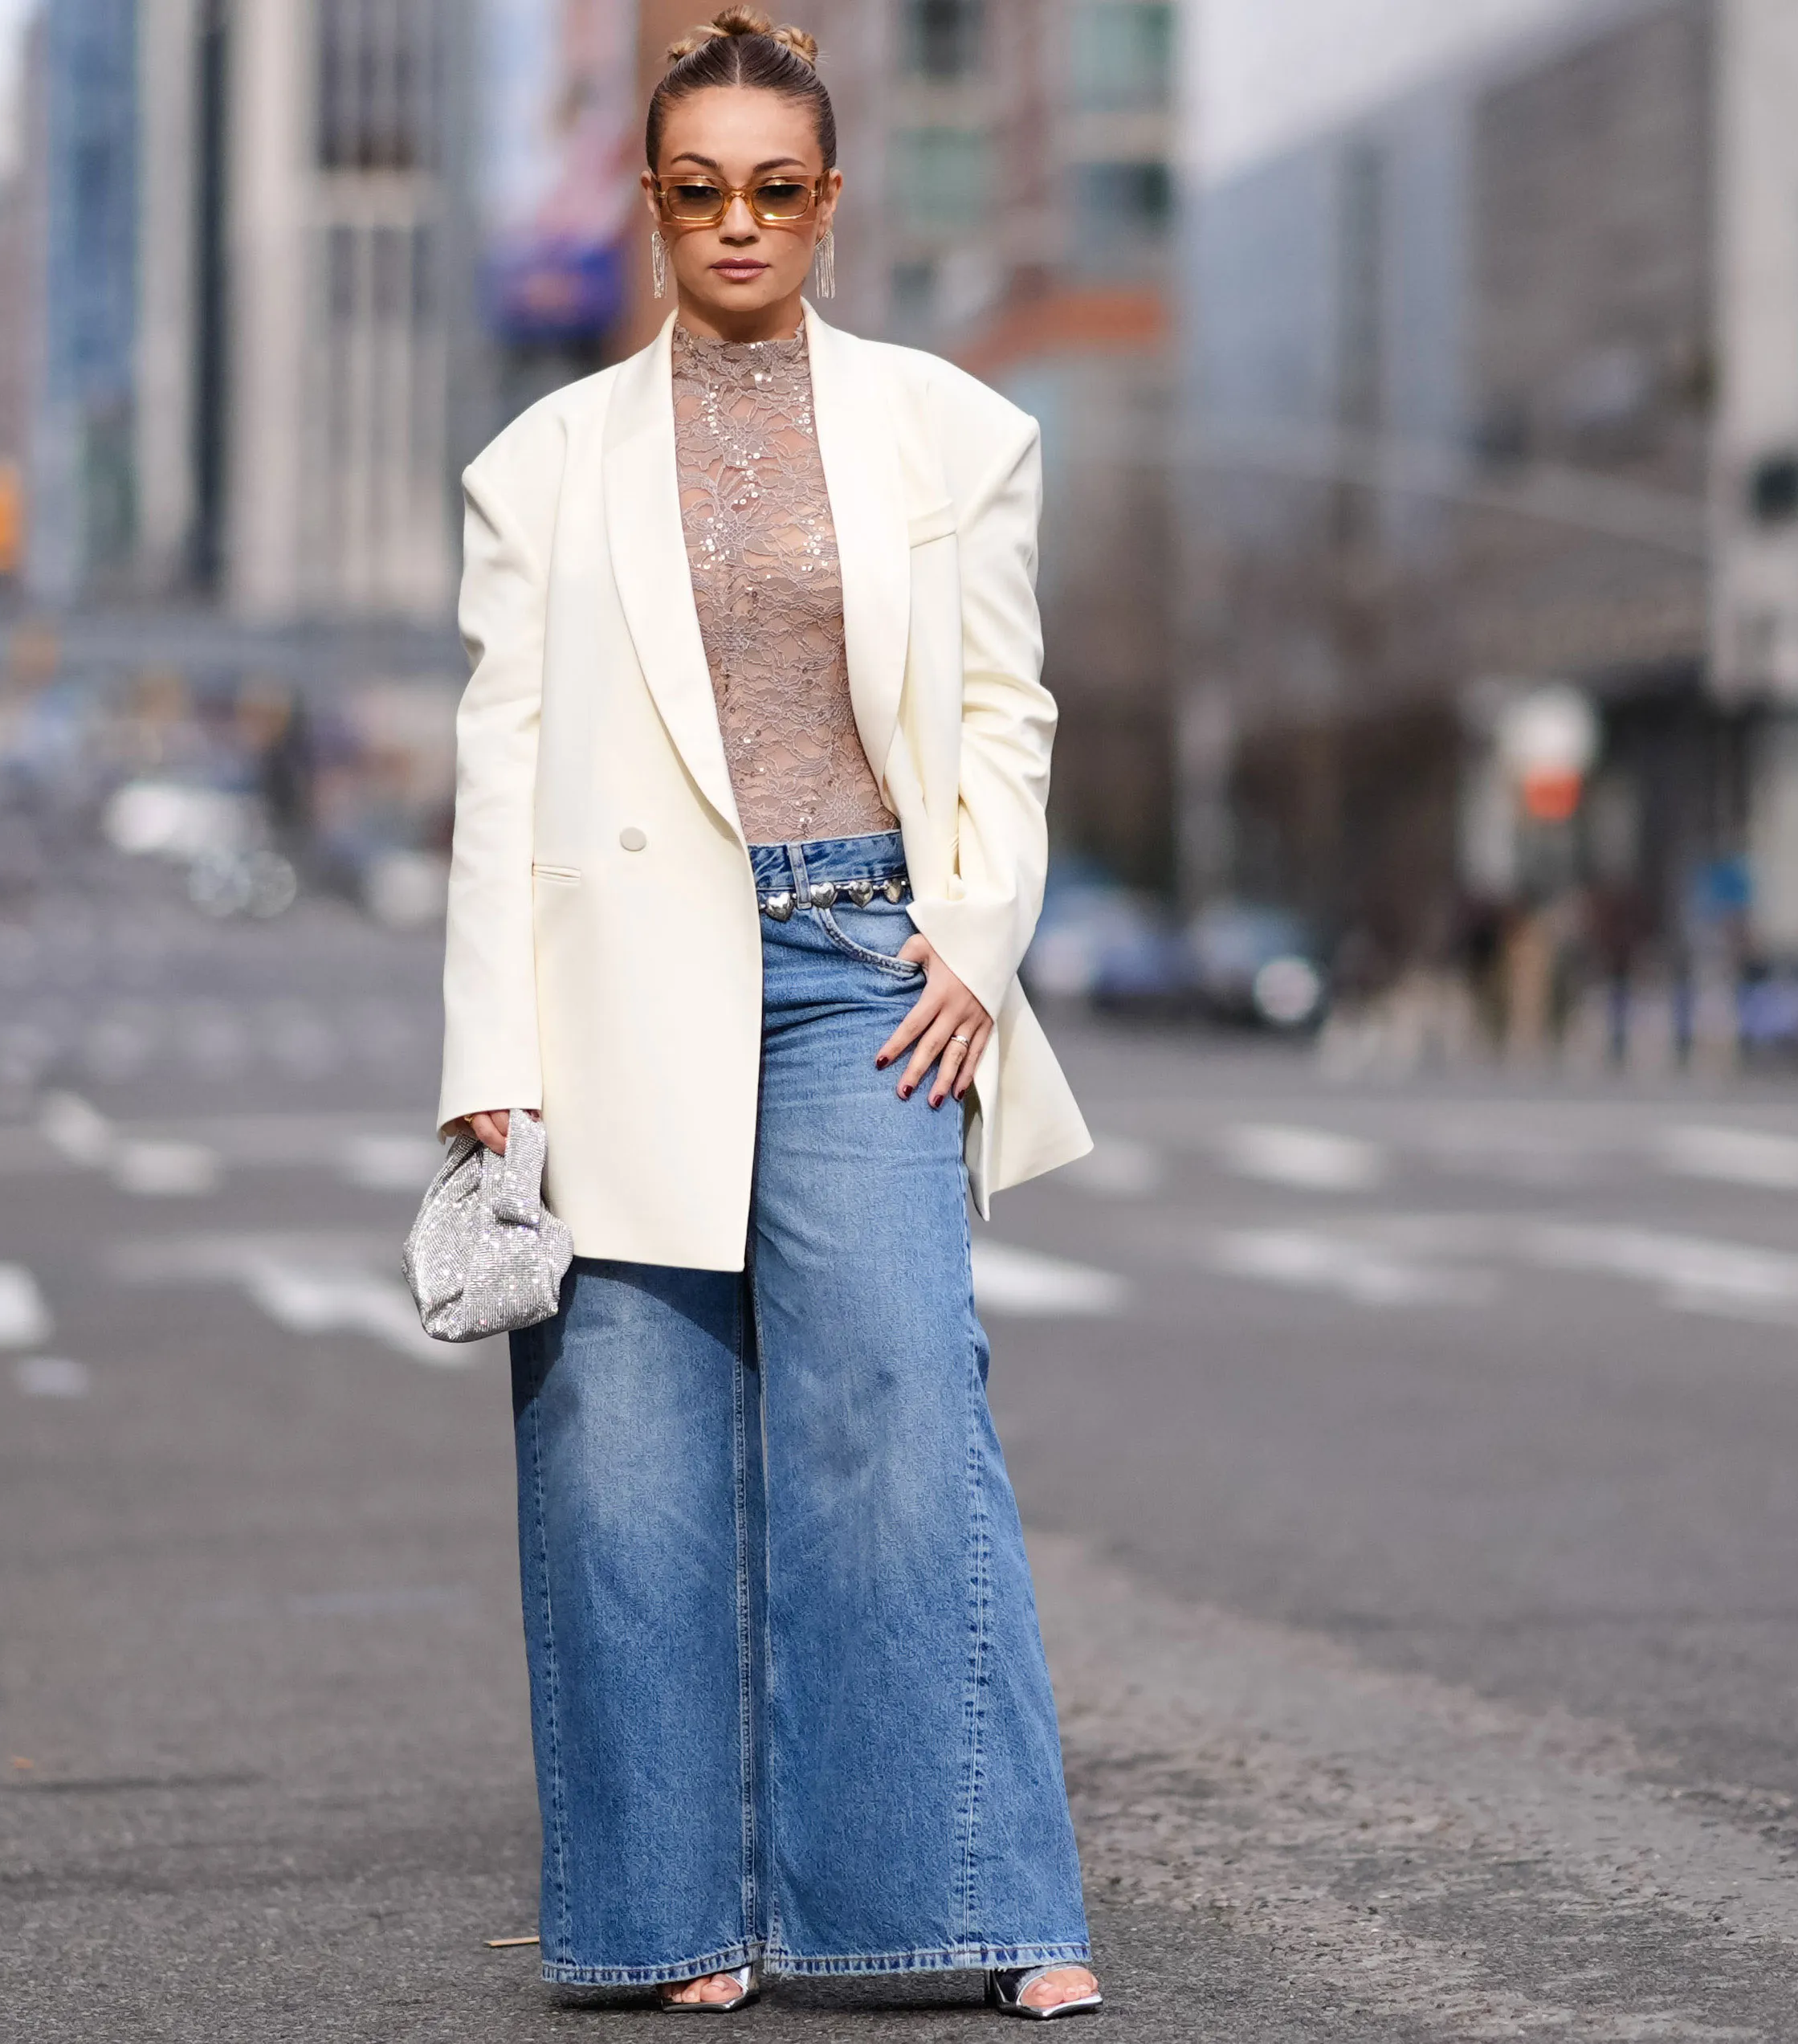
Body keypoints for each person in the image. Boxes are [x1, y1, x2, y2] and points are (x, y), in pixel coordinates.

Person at [434, 10, 1104, 2017]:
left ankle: (982, 1903)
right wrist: (491, 1061)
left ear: (832, 200)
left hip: (862, 971)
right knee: (625, 1461)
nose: (739, 221)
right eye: (699, 189)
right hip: (617, 980)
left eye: (777, 188)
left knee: (902, 1404)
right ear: (649, 206)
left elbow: (1002, 713)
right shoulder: (538, 468)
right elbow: (500, 763)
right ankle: (675, 1919)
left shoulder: (952, 432)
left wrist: (977, 937)